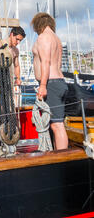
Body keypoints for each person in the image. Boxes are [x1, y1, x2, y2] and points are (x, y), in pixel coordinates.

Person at [31, 12, 68, 150]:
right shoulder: (56, 38)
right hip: (58, 82)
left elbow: (46, 62)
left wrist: (43, 85)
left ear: (38, 24)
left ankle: (62, 160)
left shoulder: (43, 37)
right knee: (55, 123)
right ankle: (57, 156)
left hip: (51, 83)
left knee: (57, 125)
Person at [0, 26, 26, 126]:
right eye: (17, 39)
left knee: (3, 111)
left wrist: (18, 78)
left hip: (5, 81)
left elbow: (16, 66)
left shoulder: (15, 51)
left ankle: (1, 137)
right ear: (12, 34)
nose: (18, 42)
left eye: (20, 40)